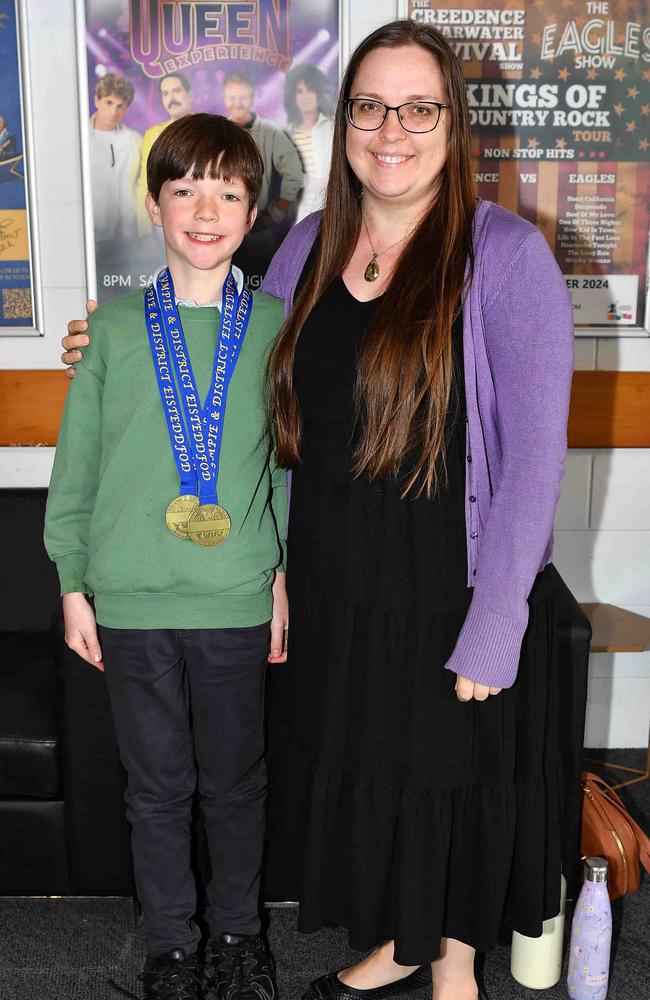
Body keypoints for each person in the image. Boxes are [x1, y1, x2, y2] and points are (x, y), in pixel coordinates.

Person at [61, 19, 582, 1000]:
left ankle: (453, 971)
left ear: (453, 123)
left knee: (446, 773)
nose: (391, 128)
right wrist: (113, 342)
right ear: (341, 121)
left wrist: (496, 620)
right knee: (374, 770)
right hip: (334, 568)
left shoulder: (505, 256)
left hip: (446, 571)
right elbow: (232, 363)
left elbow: (530, 465)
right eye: (369, 105)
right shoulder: (306, 246)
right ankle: (399, 940)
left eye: (418, 106)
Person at [47, 113, 287, 1000]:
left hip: (232, 595)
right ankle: (171, 948)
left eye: (228, 190)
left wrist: (281, 576)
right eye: (184, 188)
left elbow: (281, 471)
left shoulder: (273, 328)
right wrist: (72, 582)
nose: (205, 208)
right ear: (154, 204)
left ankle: (236, 937)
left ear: (253, 207)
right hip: (133, 600)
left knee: (234, 786)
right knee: (155, 792)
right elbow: (78, 467)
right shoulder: (110, 331)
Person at [223, 72, 303, 228]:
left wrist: (277, 215)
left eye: (243, 97)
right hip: (222, 221)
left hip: (258, 225)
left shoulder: (270, 131)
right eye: (232, 97)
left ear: (252, 98)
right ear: (225, 99)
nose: (237, 103)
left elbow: (294, 173)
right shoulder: (216, 132)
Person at [135, 73, 194, 234]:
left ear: (189, 95)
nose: (171, 98)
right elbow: (144, 185)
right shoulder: (153, 135)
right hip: (162, 226)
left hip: (198, 220)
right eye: (165, 93)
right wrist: (144, 229)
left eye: (176, 91)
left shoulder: (208, 132)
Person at [88, 74, 142, 243]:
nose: (114, 112)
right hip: (86, 228)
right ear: (97, 101)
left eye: (120, 106)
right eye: (109, 103)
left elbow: (138, 187)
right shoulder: (77, 137)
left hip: (124, 230)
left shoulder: (135, 140)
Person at [283, 64, 334, 223]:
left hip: (333, 210)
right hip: (299, 215)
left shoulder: (334, 128)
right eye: (299, 91)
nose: (305, 96)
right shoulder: (286, 135)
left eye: (310, 90)